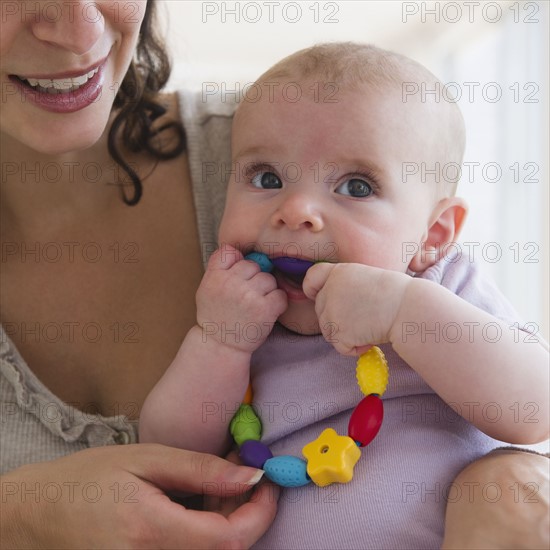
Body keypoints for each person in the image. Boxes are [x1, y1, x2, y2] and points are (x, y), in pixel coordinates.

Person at [139, 43, 550, 549]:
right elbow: (169, 453)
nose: (295, 211)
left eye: (356, 187)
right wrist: (220, 341)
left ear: (432, 235)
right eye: (266, 179)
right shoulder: (244, 308)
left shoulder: (439, 286)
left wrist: (404, 312)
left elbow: (534, 408)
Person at [0, 0, 278, 547]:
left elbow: (479, 411)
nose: (83, 32)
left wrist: (496, 481)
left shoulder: (280, 156)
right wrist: (24, 514)